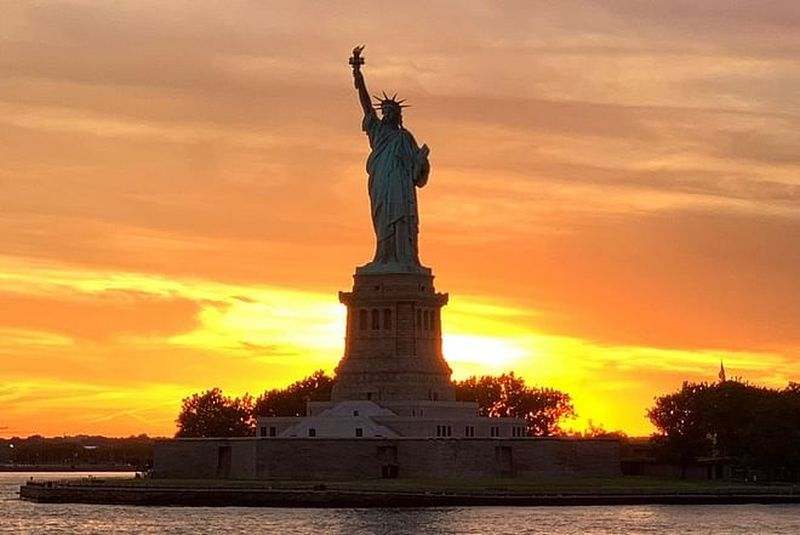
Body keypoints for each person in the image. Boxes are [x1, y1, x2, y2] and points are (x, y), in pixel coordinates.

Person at [350, 46, 430, 270]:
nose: (386, 115)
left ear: (398, 115)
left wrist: (422, 160)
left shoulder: (405, 137)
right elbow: (366, 105)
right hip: (382, 182)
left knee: (402, 219)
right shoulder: (377, 131)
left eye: (390, 112)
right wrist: (357, 73)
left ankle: (404, 258)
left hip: (401, 186)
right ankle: (383, 256)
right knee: (384, 218)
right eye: (384, 112)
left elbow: (417, 173)